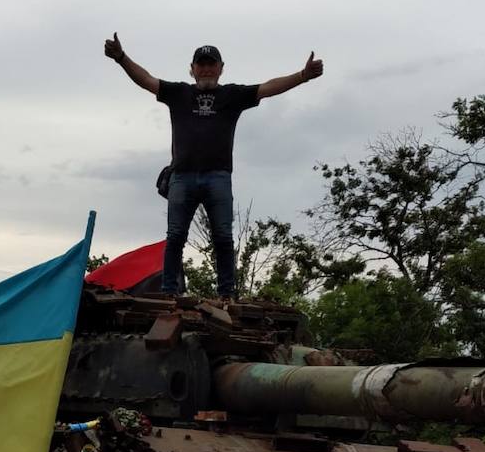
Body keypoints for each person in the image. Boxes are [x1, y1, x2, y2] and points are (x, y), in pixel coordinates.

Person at [103, 36, 324, 299]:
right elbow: (147, 80)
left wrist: (302, 75)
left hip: (218, 177)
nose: (206, 69)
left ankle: (226, 294)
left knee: (223, 237)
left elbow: (267, 87)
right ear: (192, 68)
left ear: (221, 68)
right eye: (201, 64)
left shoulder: (232, 95)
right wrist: (121, 58)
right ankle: (169, 293)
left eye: (211, 64)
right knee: (175, 237)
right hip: (182, 176)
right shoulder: (178, 93)